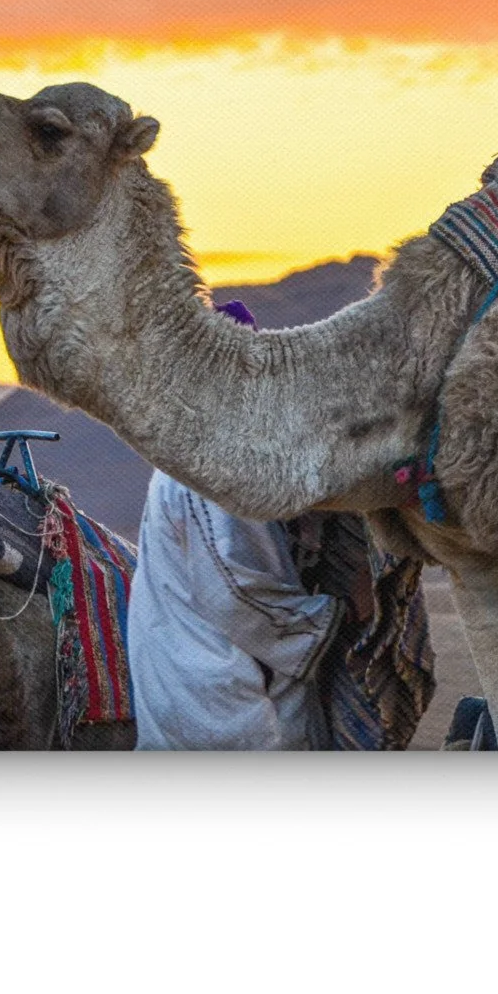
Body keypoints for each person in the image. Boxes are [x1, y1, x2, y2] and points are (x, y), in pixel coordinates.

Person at [124, 301, 364, 750]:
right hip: (222, 696)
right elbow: (236, 590)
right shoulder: (209, 465)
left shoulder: (188, 451)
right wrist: (337, 615)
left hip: (181, 677)